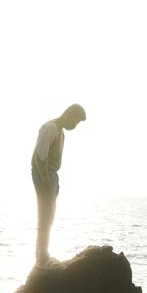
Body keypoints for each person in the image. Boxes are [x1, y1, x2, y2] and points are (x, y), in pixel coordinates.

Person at [31, 103, 86, 266]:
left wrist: (54, 184)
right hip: (44, 176)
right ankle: (41, 257)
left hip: (52, 176)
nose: (75, 126)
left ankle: (42, 254)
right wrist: (47, 183)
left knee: (49, 217)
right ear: (68, 115)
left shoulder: (60, 132)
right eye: (75, 122)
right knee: (45, 216)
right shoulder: (50, 128)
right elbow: (40, 158)